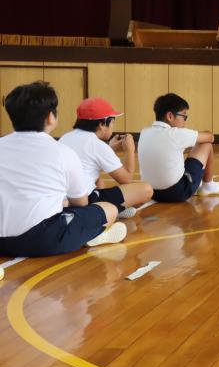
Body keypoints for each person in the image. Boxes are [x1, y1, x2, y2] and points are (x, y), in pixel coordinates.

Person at [0, 82, 126, 257]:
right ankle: (92, 235)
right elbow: (81, 203)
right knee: (109, 209)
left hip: (1, 243)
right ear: (51, 118)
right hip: (40, 240)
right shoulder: (62, 152)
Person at [59, 97, 153, 219]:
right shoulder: (97, 145)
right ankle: (105, 213)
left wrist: (110, 148)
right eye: (112, 121)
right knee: (146, 189)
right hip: (82, 202)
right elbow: (126, 179)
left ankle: (104, 211)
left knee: (98, 179)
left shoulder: (65, 137)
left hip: (64, 201)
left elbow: (89, 160)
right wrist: (130, 150)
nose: (113, 125)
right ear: (102, 124)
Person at [138, 93, 219, 203]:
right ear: (170, 116)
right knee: (206, 144)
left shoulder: (144, 132)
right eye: (183, 116)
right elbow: (210, 137)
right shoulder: (177, 133)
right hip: (177, 192)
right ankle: (208, 185)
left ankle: (206, 185)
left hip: (151, 192)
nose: (185, 121)